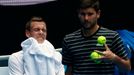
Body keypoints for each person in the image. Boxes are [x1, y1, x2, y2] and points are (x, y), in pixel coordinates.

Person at [61, 0, 131, 75]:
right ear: (78, 14)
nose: (86, 18)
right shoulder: (69, 40)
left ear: (98, 14)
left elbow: (127, 68)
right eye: (82, 14)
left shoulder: (112, 36)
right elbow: (69, 70)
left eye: (90, 14)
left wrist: (114, 58)